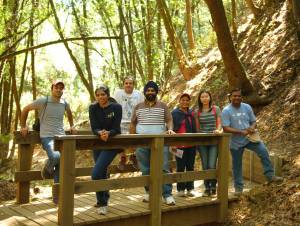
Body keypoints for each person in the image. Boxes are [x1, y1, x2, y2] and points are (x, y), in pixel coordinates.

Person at [20, 80, 76, 204]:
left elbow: (69, 113)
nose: (59, 90)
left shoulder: (64, 103)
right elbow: (25, 109)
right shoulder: (43, 101)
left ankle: (57, 197)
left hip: (61, 138)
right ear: (52, 88)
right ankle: (46, 169)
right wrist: (23, 126)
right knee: (55, 156)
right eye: (57, 87)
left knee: (60, 166)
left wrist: (72, 125)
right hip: (47, 137)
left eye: (61, 88)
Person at [221, 88, 283, 195]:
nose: (237, 98)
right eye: (234, 96)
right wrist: (241, 132)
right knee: (237, 165)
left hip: (250, 138)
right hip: (235, 142)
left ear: (242, 97)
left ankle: (270, 176)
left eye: (239, 96)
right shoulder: (226, 110)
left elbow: (254, 121)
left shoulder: (247, 107)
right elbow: (225, 128)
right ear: (230, 97)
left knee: (263, 151)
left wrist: (252, 127)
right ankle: (238, 189)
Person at [130, 81, 176, 205]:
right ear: (145, 92)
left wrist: (170, 129)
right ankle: (149, 192)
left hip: (160, 142)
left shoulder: (163, 106)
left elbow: (169, 119)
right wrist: (133, 140)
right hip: (142, 143)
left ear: (156, 92)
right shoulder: (138, 106)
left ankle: (167, 194)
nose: (150, 92)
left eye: (152, 90)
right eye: (148, 90)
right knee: (145, 169)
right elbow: (133, 123)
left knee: (164, 168)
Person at [89, 85, 122, 215]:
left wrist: (109, 133)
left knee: (96, 173)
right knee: (101, 173)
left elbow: (116, 128)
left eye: (103, 94)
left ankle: (103, 204)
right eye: (98, 95)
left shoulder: (116, 107)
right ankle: (102, 199)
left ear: (107, 95)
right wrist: (100, 133)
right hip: (98, 143)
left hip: (112, 144)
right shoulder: (93, 108)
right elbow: (94, 127)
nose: (100, 97)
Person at [194, 90, 223, 197]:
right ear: (200, 99)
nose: (205, 98)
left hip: (214, 141)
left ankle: (213, 186)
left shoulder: (216, 109)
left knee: (212, 164)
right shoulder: (197, 111)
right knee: (205, 165)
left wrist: (218, 130)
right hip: (202, 141)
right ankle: (207, 188)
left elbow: (219, 123)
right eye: (202, 97)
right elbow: (197, 128)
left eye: (206, 96)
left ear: (210, 98)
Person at [113, 77, 144, 170]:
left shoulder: (138, 94)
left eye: (130, 83)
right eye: (126, 83)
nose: (128, 85)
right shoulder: (118, 93)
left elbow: (142, 107)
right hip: (120, 121)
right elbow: (113, 105)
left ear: (133, 85)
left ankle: (133, 157)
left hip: (133, 121)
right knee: (120, 140)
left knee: (134, 140)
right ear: (123, 85)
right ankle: (123, 158)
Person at [171, 93, 196, 197]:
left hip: (191, 145)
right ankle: (180, 189)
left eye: (187, 100)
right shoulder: (174, 113)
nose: (185, 102)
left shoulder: (191, 113)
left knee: (190, 166)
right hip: (178, 145)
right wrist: (172, 144)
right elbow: (171, 129)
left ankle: (190, 188)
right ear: (179, 101)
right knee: (180, 167)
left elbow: (195, 128)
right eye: (183, 100)